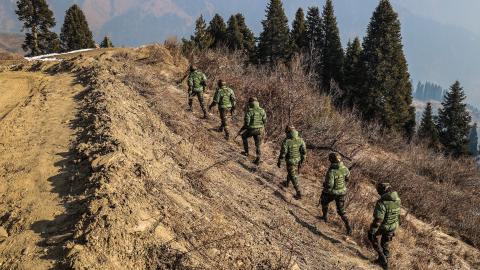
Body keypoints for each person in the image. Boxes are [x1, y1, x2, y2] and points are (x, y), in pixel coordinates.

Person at [368, 183, 401, 270]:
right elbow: (398, 215)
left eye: (379, 191)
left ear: (382, 191)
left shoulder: (382, 202)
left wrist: (372, 231)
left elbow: (378, 220)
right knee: (385, 243)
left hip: (384, 226)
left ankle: (382, 259)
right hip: (393, 225)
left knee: (372, 236)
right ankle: (385, 264)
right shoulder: (398, 200)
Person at [319, 153, 352, 235]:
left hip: (332, 192)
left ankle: (325, 217)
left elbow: (329, 184)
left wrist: (325, 185)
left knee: (324, 202)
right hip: (342, 192)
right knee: (341, 211)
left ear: (331, 160)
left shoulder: (332, 171)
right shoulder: (345, 168)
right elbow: (347, 178)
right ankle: (348, 227)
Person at [277, 126, 306, 200]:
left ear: (288, 132)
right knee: (291, 172)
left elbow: (283, 153)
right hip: (298, 160)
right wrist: (302, 161)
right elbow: (304, 152)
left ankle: (299, 193)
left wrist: (280, 160)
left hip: (290, 161)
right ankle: (286, 184)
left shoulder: (286, 141)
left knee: (293, 176)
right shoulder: (301, 140)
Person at [239, 97, 267, 165]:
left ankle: (246, 152)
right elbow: (265, 121)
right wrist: (262, 128)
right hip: (260, 130)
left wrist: (242, 129)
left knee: (244, 136)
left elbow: (246, 123)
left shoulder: (249, 111)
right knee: (258, 145)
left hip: (252, 129)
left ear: (250, 103)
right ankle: (258, 159)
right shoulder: (262, 110)